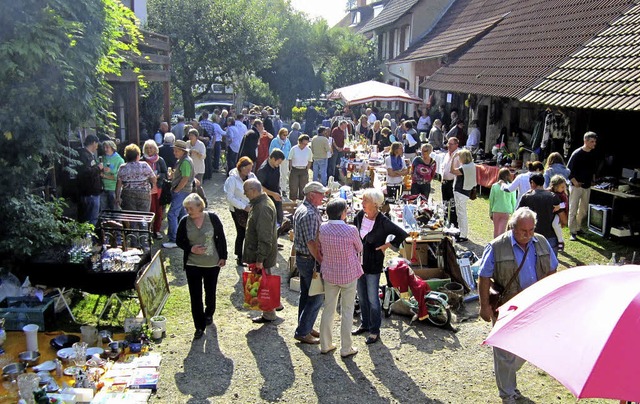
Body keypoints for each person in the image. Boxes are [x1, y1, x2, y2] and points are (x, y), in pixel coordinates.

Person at [478, 207, 557, 404]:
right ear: (513, 227)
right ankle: (508, 395)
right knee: (504, 351)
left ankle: (506, 376)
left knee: (527, 348)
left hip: (534, 306)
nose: (528, 235)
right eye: (523, 231)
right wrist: (484, 306)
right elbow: (484, 276)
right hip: (507, 306)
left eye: (531, 230)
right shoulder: (497, 246)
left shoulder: (542, 243)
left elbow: (552, 269)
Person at [352, 188, 408, 345]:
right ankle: (365, 323)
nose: (362, 203)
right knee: (361, 296)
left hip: (373, 263)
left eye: (365, 201)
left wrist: (387, 245)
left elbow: (402, 233)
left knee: (372, 298)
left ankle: (375, 330)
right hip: (358, 263)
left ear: (375, 204)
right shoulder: (360, 215)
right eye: (362, 200)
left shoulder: (383, 221)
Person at [176, 193, 227, 339]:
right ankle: (199, 326)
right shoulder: (184, 221)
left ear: (200, 206)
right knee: (195, 295)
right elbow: (179, 240)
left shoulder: (213, 218)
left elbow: (221, 237)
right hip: (193, 264)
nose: (188, 211)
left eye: (190, 208)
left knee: (210, 291)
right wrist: (191, 249)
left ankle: (209, 313)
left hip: (212, 263)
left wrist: (223, 256)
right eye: (186, 208)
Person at [318, 198, 363, 357]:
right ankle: (346, 348)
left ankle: (325, 344)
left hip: (330, 273)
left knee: (328, 309)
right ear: (342, 213)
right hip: (348, 274)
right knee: (347, 310)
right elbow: (359, 247)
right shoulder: (351, 230)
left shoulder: (323, 228)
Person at [292, 181, 328, 344]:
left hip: (304, 258)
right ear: (312, 195)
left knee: (306, 294)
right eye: (321, 194)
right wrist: (321, 260)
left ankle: (305, 326)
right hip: (309, 260)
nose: (323, 196)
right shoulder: (310, 214)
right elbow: (311, 243)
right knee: (316, 296)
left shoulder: (304, 209)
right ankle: (303, 331)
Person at [243, 178, 279, 323]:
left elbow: (265, 237)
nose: (245, 194)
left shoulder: (263, 207)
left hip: (263, 256)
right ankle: (272, 308)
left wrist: (260, 259)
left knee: (264, 284)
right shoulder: (261, 203)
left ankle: (269, 314)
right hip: (263, 254)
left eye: (246, 191)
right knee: (266, 282)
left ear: (253, 190)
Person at [224, 157, 256, 266]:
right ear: (241, 168)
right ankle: (239, 256)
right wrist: (243, 206)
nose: (249, 171)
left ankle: (249, 255)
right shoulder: (232, 179)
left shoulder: (251, 176)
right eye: (247, 169)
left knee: (250, 232)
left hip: (250, 207)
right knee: (241, 232)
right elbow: (230, 197)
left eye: (250, 169)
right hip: (237, 209)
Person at [518, 173, 561, 252]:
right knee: (550, 262)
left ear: (532, 183)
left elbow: (518, 216)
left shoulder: (527, 197)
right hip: (550, 235)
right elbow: (561, 215)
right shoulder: (553, 196)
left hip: (532, 235)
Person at [567, 132, 598, 241]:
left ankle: (578, 227)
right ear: (585, 141)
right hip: (576, 186)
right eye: (592, 141)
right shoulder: (577, 153)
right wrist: (574, 181)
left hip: (587, 185)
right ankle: (572, 231)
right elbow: (568, 170)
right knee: (573, 208)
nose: (594, 144)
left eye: (595, 141)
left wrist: (593, 180)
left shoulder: (593, 154)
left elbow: (593, 169)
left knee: (583, 210)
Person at [163, 140, 194, 249]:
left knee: (172, 214)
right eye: (174, 150)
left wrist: (176, 190)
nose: (174, 152)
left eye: (177, 151)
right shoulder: (183, 160)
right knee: (182, 215)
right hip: (183, 191)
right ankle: (183, 237)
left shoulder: (185, 161)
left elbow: (185, 178)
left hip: (181, 191)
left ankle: (174, 239)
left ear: (183, 151)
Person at [115, 143, 156, 216]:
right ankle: (143, 227)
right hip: (144, 193)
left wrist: (118, 197)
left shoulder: (122, 167)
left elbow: (118, 184)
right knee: (144, 217)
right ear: (137, 155)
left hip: (127, 194)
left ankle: (133, 227)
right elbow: (154, 180)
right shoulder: (144, 165)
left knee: (131, 217)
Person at [141, 140, 168, 239]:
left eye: (151, 148)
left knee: (159, 210)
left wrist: (158, 176)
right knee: (150, 210)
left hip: (158, 188)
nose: (149, 150)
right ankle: (148, 230)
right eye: (147, 148)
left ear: (155, 148)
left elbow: (164, 172)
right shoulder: (142, 160)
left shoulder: (160, 160)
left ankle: (157, 230)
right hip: (147, 189)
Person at [450, 149, 477, 242]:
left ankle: (463, 235)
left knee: (461, 214)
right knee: (461, 213)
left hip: (461, 192)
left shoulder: (464, 168)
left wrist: (453, 158)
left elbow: (452, 171)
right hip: (466, 191)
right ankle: (461, 232)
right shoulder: (471, 165)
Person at [77, 134, 103, 225]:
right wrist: (98, 168)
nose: (97, 147)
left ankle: (88, 238)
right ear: (93, 143)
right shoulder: (85, 156)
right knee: (91, 220)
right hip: (90, 192)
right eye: (96, 144)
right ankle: (89, 238)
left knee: (88, 219)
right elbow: (86, 173)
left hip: (90, 192)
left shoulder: (87, 155)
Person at [257, 149, 285, 225]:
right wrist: (273, 194)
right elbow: (260, 187)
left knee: (279, 217)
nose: (279, 164)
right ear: (273, 159)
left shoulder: (276, 166)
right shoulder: (263, 170)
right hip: (267, 198)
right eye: (279, 162)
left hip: (276, 195)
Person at [489, 168, 517, 237]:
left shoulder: (494, 186)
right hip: (506, 210)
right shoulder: (511, 187)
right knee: (502, 231)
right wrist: (514, 212)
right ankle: (500, 245)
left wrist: (490, 212)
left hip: (496, 210)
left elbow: (491, 200)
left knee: (496, 230)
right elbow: (513, 200)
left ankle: (495, 245)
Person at [441, 137, 461, 227]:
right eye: (448, 143)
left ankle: (453, 224)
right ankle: (445, 222)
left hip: (453, 182)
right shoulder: (446, 154)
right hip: (444, 182)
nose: (449, 146)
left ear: (456, 145)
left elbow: (460, 170)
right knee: (444, 203)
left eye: (451, 144)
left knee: (453, 205)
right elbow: (443, 167)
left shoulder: (459, 155)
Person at [100, 140, 124, 212]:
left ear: (113, 148)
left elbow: (120, 177)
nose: (105, 149)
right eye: (104, 147)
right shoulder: (102, 158)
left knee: (115, 210)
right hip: (103, 188)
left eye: (107, 147)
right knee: (103, 211)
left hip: (113, 188)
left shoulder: (119, 160)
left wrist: (105, 175)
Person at [288, 134, 313, 201]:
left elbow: (310, 160)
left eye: (306, 144)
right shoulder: (294, 149)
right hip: (295, 169)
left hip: (304, 170)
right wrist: (290, 168)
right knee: (293, 188)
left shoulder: (308, 150)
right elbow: (290, 159)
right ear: (299, 142)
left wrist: (307, 169)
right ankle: (292, 202)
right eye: (303, 143)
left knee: (303, 188)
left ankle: (302, 202)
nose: (304, 145)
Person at [548, 174, 569, 251]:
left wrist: (559, 206)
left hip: (558, 213)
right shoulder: (549, 191)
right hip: (550, 212)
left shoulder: (563, 195)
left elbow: (566, 204)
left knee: (555, 224)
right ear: (556, 187)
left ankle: (561, 241)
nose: (564, 189)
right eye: (562, 187)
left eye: (564, 187)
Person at [270, 128, 291, 196]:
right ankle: (277, 188)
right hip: (276, 160)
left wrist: (288, 157)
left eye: (286, 135)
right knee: (277, 174)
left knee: (284, 174)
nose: (285, 136)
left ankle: (284, 189)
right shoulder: (275, 141)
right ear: (280, 134)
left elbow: (289, 149)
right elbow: (270, 150)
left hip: (285, 159)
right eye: (284, 135)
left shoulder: (287, 141)